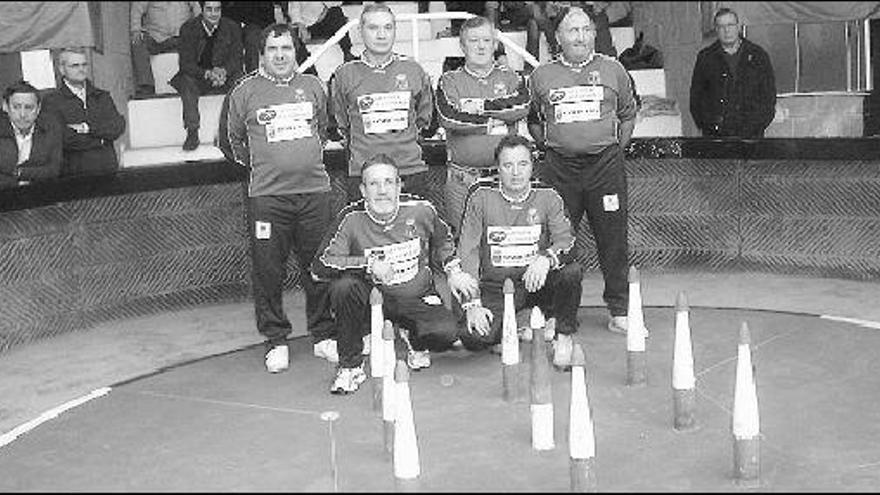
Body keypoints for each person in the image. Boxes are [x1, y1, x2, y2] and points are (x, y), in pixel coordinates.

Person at [220, 23, 336, 374]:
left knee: (317, 266)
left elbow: (324, 129)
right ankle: (275, 339)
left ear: (295, 51)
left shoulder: (314, 87)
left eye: (286, 48)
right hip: (268, 199)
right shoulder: (244, 92)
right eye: (273, 49)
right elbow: (231, 142)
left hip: (315, 193)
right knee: (268, 271)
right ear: (262, 54)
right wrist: (264, 167)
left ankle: (323, 334)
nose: (281, 55)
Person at [311, 154, 479, 394]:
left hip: (415, 296)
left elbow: (443, 241)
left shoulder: (422, 210)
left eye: (389, 182)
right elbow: (322, 265)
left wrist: (453, 271)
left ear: (399, 185)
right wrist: (368, 263)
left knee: (447, 333)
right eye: (374, 184)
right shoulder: (350, 218)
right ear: (362, 189)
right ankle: (350, 366)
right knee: (343, 287)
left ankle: (413, 335)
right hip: (374, 301)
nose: (382, 191)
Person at [527, 6, 637, 335]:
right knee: (556, 242)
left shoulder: (614, 69)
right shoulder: (541, 76)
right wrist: (551, 147)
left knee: (613, 240)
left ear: (594, 34)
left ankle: (619, 310)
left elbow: (629, 113)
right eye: (572, 30)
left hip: (606, 167)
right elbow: (534, 120)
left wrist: (615, 149)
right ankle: (554, 313)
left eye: (586, 29)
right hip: (560, 170)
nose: (580, 36)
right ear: (558, 37)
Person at [457, 135, 583, 367]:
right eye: (508, 165)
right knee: (473, 338)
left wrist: (547, 258)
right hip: (496, 287)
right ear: (498, 169)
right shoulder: (480, 195)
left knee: (571, 272)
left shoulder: (548, 196)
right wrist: (473, 304)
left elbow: (568, 241)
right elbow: (468, 251)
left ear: (532, 166)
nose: (516, 172)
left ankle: (563, 336)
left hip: (535, 282)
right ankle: (521, 319)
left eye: (522, 164)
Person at [330, 3, 435, 203]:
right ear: (360, 31)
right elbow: (340, 125)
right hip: (363, 174)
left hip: (410, 172)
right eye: (373, 28)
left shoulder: (414, 70)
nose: (381, 35)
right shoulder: (343, 74)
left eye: (388, 27)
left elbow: (425, 121)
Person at [435, 15, 530, 235]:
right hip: (463, 180)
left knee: (508, 241)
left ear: (495, 44)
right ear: (462, 45)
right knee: (464, 244)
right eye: (473, 40)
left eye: (486, 41)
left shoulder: (512, 77)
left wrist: (474, 107)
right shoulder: (449, 81)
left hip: (506, 178)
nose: (481, 46)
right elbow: (449, 118)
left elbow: (521, 106)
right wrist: (493, 121)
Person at [689, 7, 776, 138]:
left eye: (730, 25)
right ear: (716, 30)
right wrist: (709, 125)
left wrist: (756, 126)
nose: (726, 30)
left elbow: (768, 97)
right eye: (721, 26)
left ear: (738, 27)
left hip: (751, 137)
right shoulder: (705, 58)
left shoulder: (758, 56)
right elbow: (696, 98)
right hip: (716, 137)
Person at [171, 0, 243, 151]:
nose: (213, 14)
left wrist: (224, 71)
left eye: (217, 9)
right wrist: (207, 73)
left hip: (224, 75)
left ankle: (239, 130)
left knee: (240, 80)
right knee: (186, 81)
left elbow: (237, 58)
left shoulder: (232, 27)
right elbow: (186, 63)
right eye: (209, 9)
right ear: (202, 10)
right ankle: (192, 131)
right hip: (200, 76)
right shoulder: (188, 28)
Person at [43, 48, 126, 178]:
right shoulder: (51, 101)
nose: (81, 69)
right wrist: (102, 140)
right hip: (73, 174)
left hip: (107, 170)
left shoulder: (102, 96)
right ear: (62, 69)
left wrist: (87, 128)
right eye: (75, 66)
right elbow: (62, 138)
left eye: (84, 64)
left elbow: (117, 126)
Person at [130, 1, 202, 97]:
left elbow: (197, 9)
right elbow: (137, 9)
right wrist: (136, 29)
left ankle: (199, 82)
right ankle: (146, 85)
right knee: (137, 42)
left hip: (181, 37)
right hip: (156, 37)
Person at [0, 81, 62, 189]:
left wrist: (18, 172)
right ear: (5, 107)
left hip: (40, 193)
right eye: (16, 107)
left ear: (38, 109)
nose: (23, 114)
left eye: (29, 107)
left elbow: (54, 170)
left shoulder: (51, 127)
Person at [288, 2, 355, 62]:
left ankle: (348, 53)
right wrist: (302, 27)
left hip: (326, 20)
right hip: (310, 27)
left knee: (336, 12)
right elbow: (294, 12)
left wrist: (325, 9)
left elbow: (337, 3)